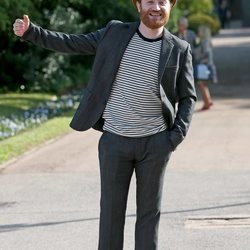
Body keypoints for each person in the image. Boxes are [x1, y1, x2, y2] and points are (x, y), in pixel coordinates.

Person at [13, 0, 196, 249]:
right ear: (138, 5)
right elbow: (72, 43)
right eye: (150, 1)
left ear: (170, 6)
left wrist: (174, 137)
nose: (156, 6)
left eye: (162, 1)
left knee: (148, 216)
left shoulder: (179, 48)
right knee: (110, 214)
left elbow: (188, 97)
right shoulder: (114, 34)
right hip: (115, 142)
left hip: (155, 144)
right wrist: (33, 32)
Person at [193, 25, 218, 111]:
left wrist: (196, 54)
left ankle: (207, 102)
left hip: (203, 65)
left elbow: (203, 53)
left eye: (199, 31)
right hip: (205, 65)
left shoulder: (204, 41)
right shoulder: (206, 41)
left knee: (201, 84)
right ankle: (208, 100)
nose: (198, 33)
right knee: (203, 84)